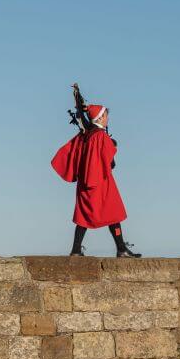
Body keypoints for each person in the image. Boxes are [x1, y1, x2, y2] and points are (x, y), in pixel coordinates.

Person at [51, 103, 141, 257]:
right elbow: (109, 159)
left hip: (85, 183)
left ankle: (76, 250)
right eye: (106, 116)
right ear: (100, 117)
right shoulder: (100, 136)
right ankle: (121, 249)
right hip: (101, 182)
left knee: (83, 217)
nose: (107, 119)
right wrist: (113, 144)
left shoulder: (85, 136)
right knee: (114, 212)